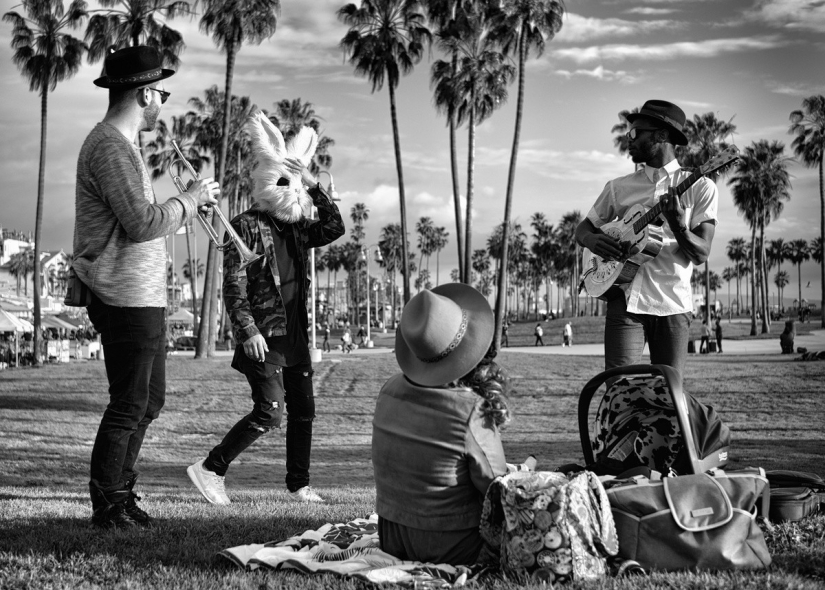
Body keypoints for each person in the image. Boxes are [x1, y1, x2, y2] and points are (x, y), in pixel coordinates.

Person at [73, 46, 220, 529]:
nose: (163, 101)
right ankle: (107, 502)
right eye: (161, 92)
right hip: (123, 294)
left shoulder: (125, 145)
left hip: (142, 294)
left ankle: (120, 491)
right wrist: (191, 200)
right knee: (130, 402)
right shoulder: (111, 146)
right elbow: (140, 223)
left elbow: (144, 223)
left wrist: (184, 206)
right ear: (143, 93)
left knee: (149, 400)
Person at [187, 111, 345, 505]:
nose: (291, 192)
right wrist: (248, 332)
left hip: (295, 339)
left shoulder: (298, 226)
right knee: (270, 412)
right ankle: (210, 468)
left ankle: (299, 485)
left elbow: (334, 227)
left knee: (303, 412)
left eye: (296, 185)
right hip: (264, 338)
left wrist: (311, 183)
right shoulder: (244, 224)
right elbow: (233, 286)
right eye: (284, 182)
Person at [575, 100, 718, 378]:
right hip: (625, 300)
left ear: (661, 136)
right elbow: (583, 228)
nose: (628, 139)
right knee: (617, 389)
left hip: (673, 305)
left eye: (635, 133)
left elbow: (701, 254)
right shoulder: (618, 188)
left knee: (669, 394)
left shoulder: (701, 187)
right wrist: (592, 241)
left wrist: (679, 226)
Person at [372, 284, 510, 565]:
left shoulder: (388, 391)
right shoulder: (469, 408)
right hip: (453, 544)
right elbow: (498, 491)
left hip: (392, 538)